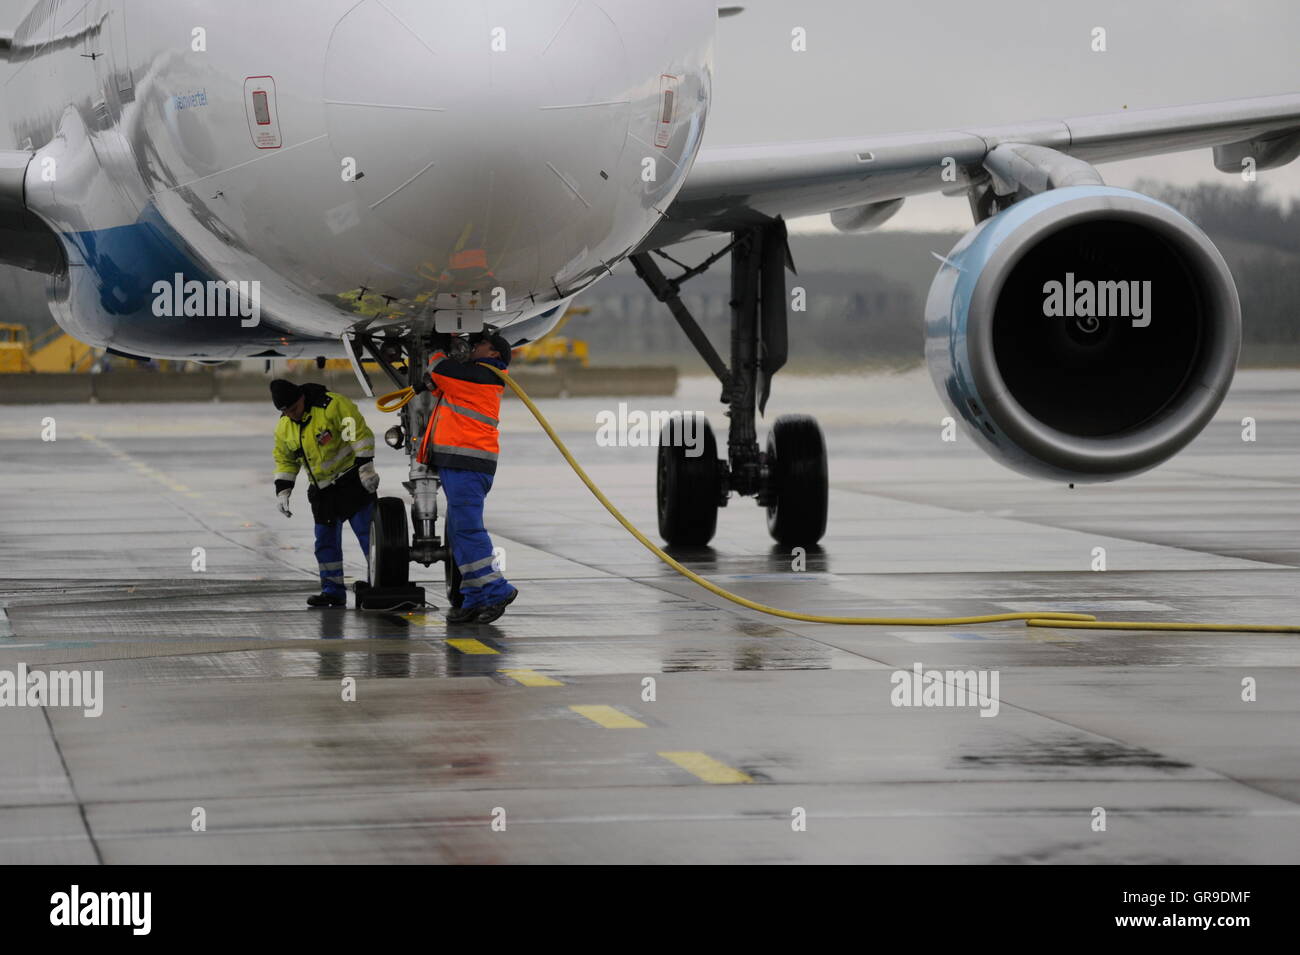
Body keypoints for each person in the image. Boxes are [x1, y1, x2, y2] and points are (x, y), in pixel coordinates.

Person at [418, 332, 518, 623]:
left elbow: (440, 369)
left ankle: (497, 588)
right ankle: (474, 597)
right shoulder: (472, 377)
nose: (474, 346)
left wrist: (437, 348)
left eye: (481, 344)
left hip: (468, 463)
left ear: (494, 353)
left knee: (469, 531)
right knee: (459, 533)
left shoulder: (486, 375)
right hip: (459, 462)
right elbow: (440, 384)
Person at [271, 379, 380, 607]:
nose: (292, 416)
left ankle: (380, 585)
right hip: (322, 491)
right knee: (325, 543)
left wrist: (366, 468)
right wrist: (283, 490)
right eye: (286, 412)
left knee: (369, 537)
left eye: (294, 409)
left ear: (302, 398)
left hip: (351, 482)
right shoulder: (285, 426)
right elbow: (285, 459)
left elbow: (359, 435)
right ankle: (332, 591)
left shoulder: (333, 406)